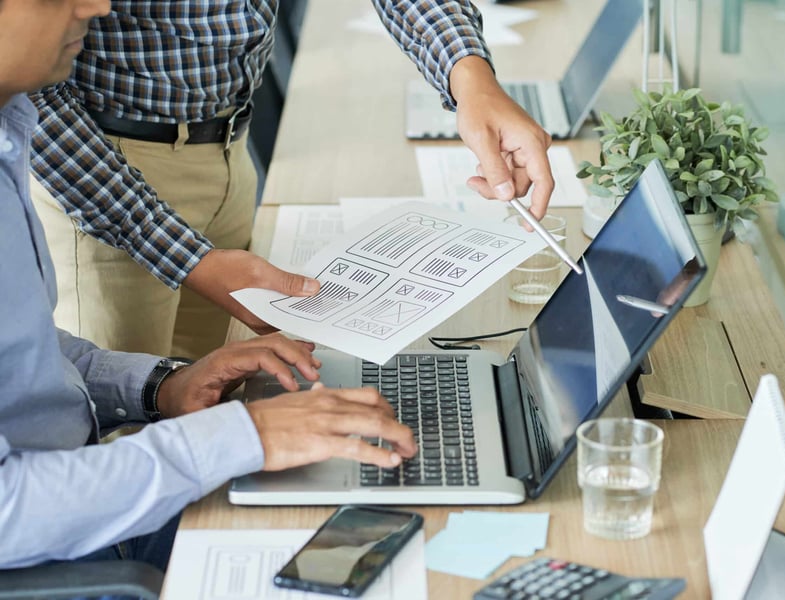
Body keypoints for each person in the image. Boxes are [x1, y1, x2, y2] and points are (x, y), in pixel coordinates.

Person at [0, 0, 415, 571]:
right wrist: (243, 437)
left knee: (377, 506)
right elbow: (10, 514)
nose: (98, 7)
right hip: (73, 559)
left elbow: (28, 363)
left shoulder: (7, 147)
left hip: (93, 504)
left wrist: (159, 386)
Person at [29, 0, 555, 360]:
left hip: (230, 149)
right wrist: (191, 260)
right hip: (103, 180)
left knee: (213, 402)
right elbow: (30, 99)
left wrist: (472, 80)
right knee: (127, 432)